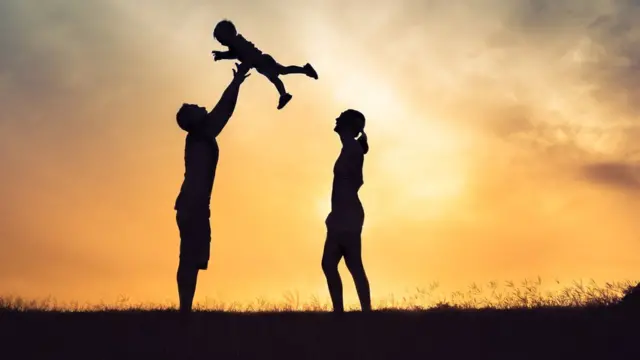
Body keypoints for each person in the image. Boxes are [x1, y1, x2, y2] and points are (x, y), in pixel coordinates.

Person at [174, 62, 251, 315]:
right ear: (192, 121)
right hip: (193, 205)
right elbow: (224, 110)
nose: (201, 107)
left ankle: (185, 309)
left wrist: (237, 81)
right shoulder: (201, 134)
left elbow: (222, 111)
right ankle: (184, 310)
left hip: (194, 205)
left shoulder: (201, 134)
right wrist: (237, 81)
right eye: (195, 108)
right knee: (189, 257)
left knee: (191, 258)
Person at [322, 109, 372, 313]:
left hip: (347, 212)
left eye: (341, 117)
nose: (336, 118)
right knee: (331, 264)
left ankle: (362, 312)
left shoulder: (352, 148)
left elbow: (354, 183)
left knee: (351, 264)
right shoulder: (350, 147)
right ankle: (342, 312)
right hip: (343, 213)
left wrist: (340, 214)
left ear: (349, 125)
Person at [211, 19, 318, 110]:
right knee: (282, 72)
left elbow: (245, 56)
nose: (221, 43)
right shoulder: (235, 45)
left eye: (221, 40)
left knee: (278, 75)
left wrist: (242, 67)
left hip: (263, 62)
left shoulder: (238, 43)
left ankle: (285, 93)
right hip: (261, 65)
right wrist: (222, 55)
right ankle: (302, 73)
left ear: (228, 35)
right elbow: (234, 54)